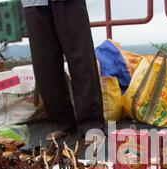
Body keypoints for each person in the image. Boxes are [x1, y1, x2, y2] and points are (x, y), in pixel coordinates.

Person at [22, 0, 105, 141]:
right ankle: (61, 122)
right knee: (44, 63)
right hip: (33, 3)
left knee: (81, 58)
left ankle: (91, 123)